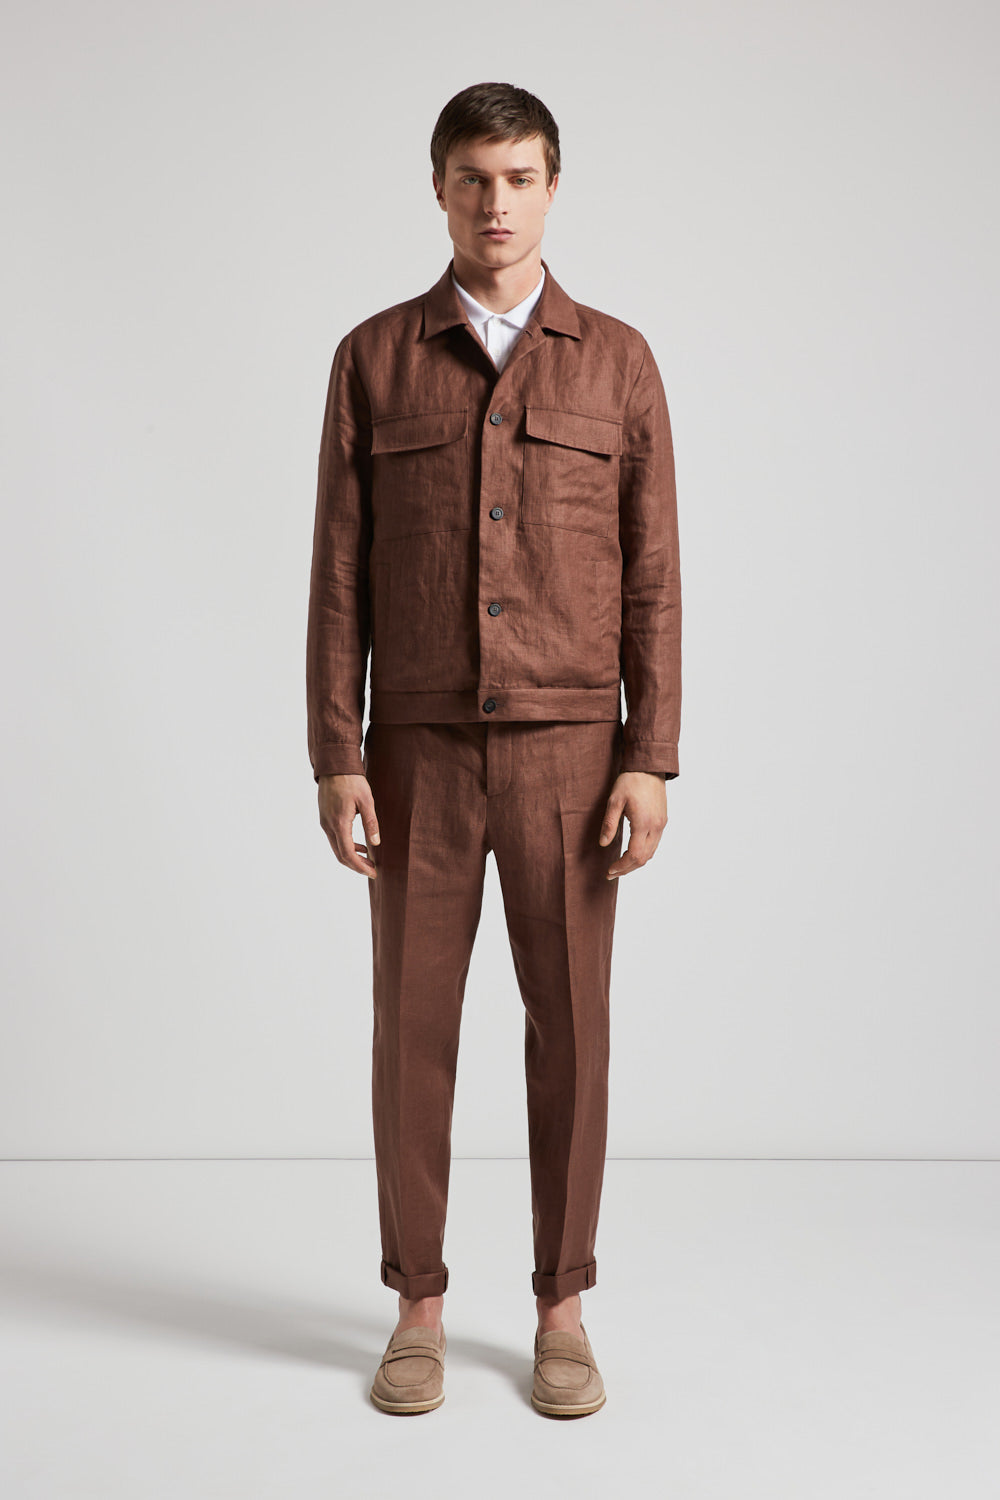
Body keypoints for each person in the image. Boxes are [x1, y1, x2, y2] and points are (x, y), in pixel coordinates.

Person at [306, 81, 681, 1417]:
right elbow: (338, 574)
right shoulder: (375, 358)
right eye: (473, 177)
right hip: (416, 747)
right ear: (439, 189)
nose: (497, 202)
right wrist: (336, 752)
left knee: (570, 1032)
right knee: (411, 1030)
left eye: (520, 177)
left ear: (553, 188)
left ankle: (561, 1310)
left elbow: (653, 574)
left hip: (573, 752)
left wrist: (650, 753)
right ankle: (416, 1306)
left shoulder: (617, 361)